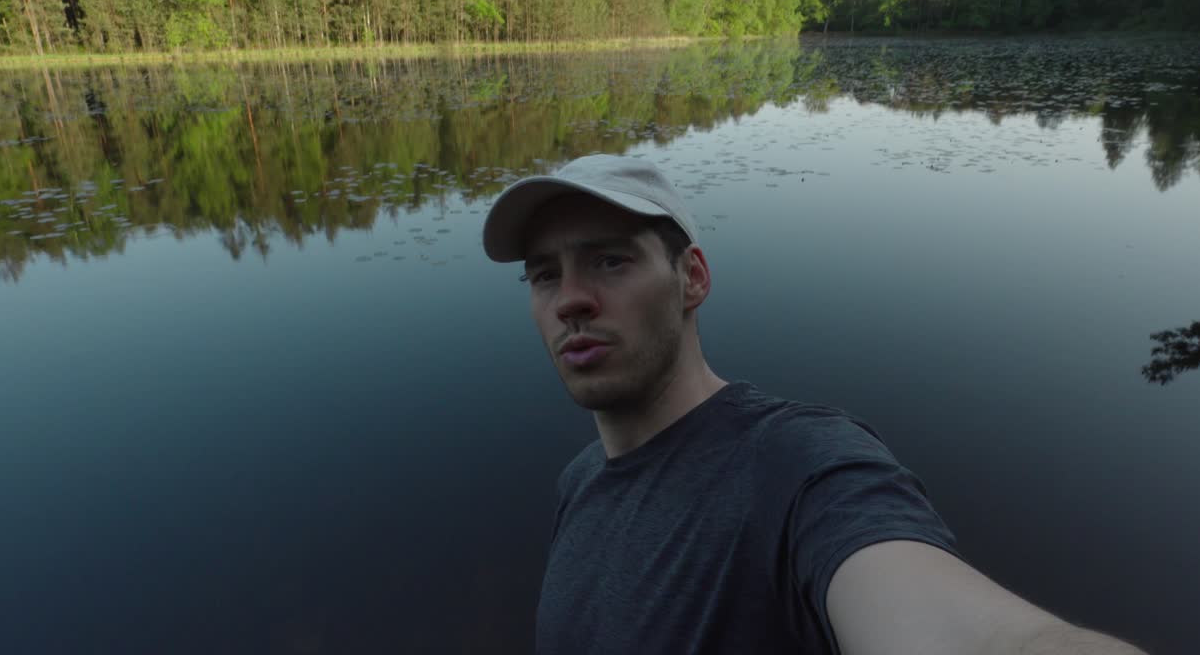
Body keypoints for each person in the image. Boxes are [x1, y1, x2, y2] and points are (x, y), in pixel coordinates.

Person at [481, 155, 1148, 655]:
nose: (569, 299)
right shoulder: (581, 479)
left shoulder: (800, 465)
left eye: (610, 262)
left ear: (692, 279)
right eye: (545, 275)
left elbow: (981, 636)